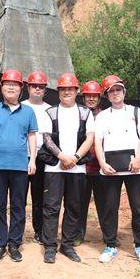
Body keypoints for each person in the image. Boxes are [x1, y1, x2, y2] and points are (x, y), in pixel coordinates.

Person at [0, 69, 38, 262]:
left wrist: (32, 160)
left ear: (21, 89)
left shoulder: (28, 112)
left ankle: (14, 243)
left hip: (20, 167)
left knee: (18, 205)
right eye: (7, 84)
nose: (11, 87)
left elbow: (32, 136)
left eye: (15, 84)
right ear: (2, 87)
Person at [94, 75, 140, 264]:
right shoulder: (102, 116)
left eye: (118, 89)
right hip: (110, 169)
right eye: (111, 91)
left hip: (134, 167)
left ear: (124, 92)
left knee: (138, 208)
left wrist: (138, 159)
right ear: (107, 95)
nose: (115, 93)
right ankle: (110, 245)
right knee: (110, 208)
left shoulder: (136, 112)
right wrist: (102, 163)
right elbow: (98, 141)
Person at [40, 73, 94, 264]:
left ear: (77, 91)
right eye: (63, 89)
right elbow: (46, 137)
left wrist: (76, 157)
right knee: (51, 208)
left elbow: (89, 138)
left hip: (77, 168)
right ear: (59, 92)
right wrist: (62, 156)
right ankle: (49, 246)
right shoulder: (51, 112)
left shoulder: (85, 113)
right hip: (54, 168)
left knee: (73, 207)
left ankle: (67, 245)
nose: (67, 92)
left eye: (70, 89)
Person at [21, 71, 51, 244]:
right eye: (34, 86)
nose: (37, 89)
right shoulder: (21, 106)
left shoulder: (49, 109)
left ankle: (39, 231)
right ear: (28, 87)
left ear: (45, 89)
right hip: (21, 156)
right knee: (19, 198)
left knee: (39, 198)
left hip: (42, 157)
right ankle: (18, 232)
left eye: (41, 86)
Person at [77, 80, 103, 247]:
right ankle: (77, 235)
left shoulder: (105, 116)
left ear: (99, 98)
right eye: (88, 96)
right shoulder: (78, 114)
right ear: (83, 97)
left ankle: (109, 235)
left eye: (94, 96)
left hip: (101, 168)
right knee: (79, 203)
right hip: (81, 167)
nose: (91, 99)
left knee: (105, 204)